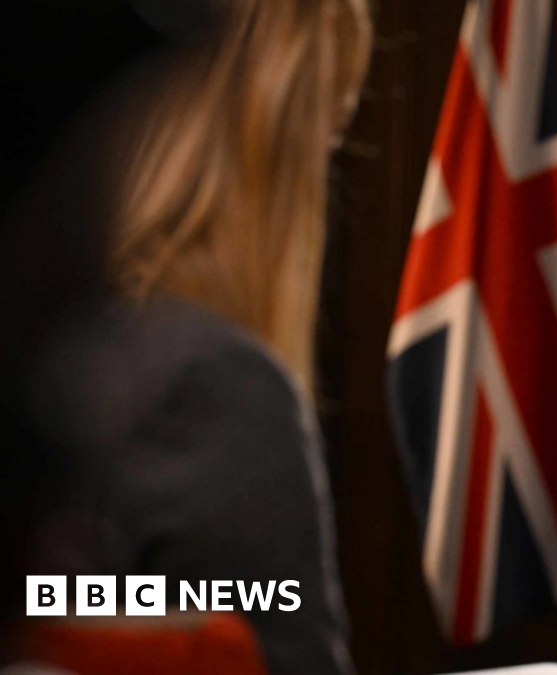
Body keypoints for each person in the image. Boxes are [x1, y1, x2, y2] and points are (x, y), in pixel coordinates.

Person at [19, 1, 372, 673]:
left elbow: (48, 598)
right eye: (328, 142)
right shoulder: (218, 384)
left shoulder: (57, 342)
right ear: (286, 142)